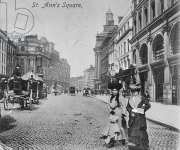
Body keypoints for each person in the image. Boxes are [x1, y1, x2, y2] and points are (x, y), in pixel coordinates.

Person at [126, 83, 151, 150]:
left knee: (141, 133)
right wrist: (131, 111)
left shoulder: (142, 98)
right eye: (133, 91)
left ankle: (143, 147)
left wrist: (140, 110)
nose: (135, 93)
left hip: (140, 119)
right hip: (132, 119)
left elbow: (148, 105)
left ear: (138, 91)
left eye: (136, 91)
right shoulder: (130, 99)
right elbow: (128, 107)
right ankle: (133, 147)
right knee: (133, 133)